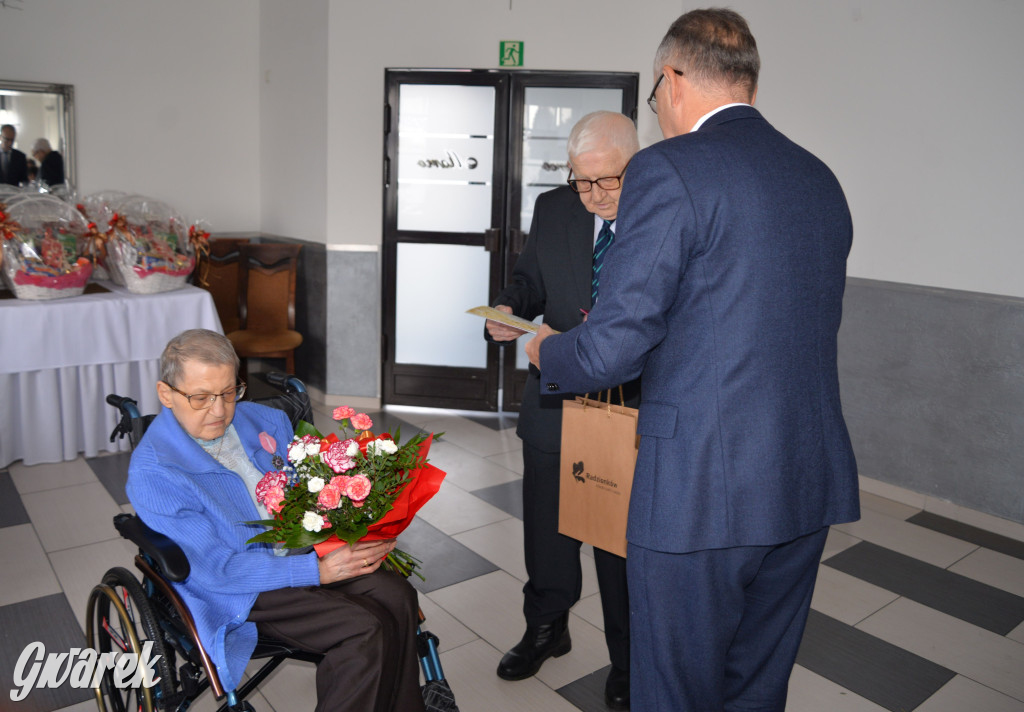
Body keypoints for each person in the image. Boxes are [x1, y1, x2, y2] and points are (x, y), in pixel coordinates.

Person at [525, 9, 860, 712]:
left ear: (672, 80)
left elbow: (615, 343)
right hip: (804, 477)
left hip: (702, 489)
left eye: (654, 93)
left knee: (674, 687)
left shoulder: (668, 170)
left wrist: (548, 350)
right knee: (757, 684)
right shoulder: (818, 177)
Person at [126, 329, 425, 712]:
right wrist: (316, 571)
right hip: (239, 586)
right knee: (364, 629)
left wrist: (355, 523)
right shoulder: (155, 472)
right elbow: (217, 570)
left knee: (398, 596)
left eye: (229, 392)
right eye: (200, 398)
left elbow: (313, 495)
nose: (219, 411)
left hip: (303, 556)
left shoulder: (265, 420)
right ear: (166, 394)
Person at [486, 111, 639, 710]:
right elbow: (530, 281)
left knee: (618, 542)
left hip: (629, 405)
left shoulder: (663, 211)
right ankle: (547, 626)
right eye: (582, 181)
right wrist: (507, 305)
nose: (594, 196)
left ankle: (628, 657)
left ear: (637, 166)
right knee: (547, 527)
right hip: (555, 396)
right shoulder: (555, 208)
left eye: (608, 182)